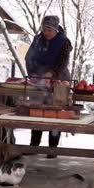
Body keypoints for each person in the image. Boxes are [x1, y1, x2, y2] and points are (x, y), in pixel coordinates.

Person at [25, 15, 73, 158]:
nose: (46, 33)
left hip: (59, 80)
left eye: (49, 30)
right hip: (39, 80)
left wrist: (52, 73)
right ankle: (34, 146)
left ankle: (52, 149)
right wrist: (33, 73)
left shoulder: (64, 42)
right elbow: (29, 58)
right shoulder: (38, 39)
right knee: (37, 111)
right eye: (44, 29)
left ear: (56, 29)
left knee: (55, 114)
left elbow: (63, 63)